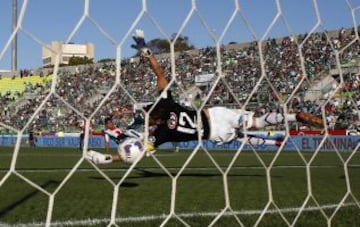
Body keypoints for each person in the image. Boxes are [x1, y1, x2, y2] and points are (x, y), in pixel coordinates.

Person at [86, 29, 324, 165]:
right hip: (215, 113)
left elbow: (134, 152)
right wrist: (145, 50)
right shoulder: (167, 103)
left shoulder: (162, 133)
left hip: (213, 133)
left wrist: (107, 159)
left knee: (240, 138)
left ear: (154, 120)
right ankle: (293, 116)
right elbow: (160, 73)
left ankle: (279, 136)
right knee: (258, 122)